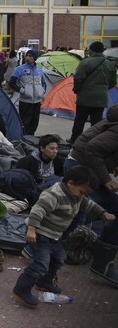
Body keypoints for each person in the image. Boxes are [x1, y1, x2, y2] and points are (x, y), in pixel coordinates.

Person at [12, 166, 114, 307]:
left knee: (59, 258)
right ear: (70, 183)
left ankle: (44, 281)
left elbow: (89, 204)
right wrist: (31, 230)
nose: (82, 196)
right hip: (40, 233)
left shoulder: (76, 196)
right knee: (41, 263)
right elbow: (38, 210)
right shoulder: (54, 194)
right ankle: (22, 288)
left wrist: (103, 213)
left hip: (54, 236)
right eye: (81, 192)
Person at [65, 104, 118, 286]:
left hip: (80, 164)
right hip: (82, 168)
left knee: (84, 210)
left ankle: (101, 261)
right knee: (81, 210)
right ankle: (102, 263)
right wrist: (106, 179)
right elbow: (93, 149)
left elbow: (104, 146)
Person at [68, 41, 116, 144]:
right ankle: (94, 141)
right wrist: (103, 89)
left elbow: (78, 78)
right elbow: (113, 82)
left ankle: (75, 140)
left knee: (80, 121)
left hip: (84, 97)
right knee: (96, 123)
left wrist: (77, 89)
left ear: (91, 50)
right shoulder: (110, 64)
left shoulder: (85, 62)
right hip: (101, 98)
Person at [9, 49, 46, 135]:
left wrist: (42, 92)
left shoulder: (40, 71)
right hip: (25, 101)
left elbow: (43, 83)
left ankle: (31, 137)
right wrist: (23, 91)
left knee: (34, 122)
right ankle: (24, 138)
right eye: (27, 55)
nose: (28, 58)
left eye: (30, 56)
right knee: (25, 123)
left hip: (37, 101)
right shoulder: (19, 69)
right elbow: (12, 83)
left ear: (35, 58)